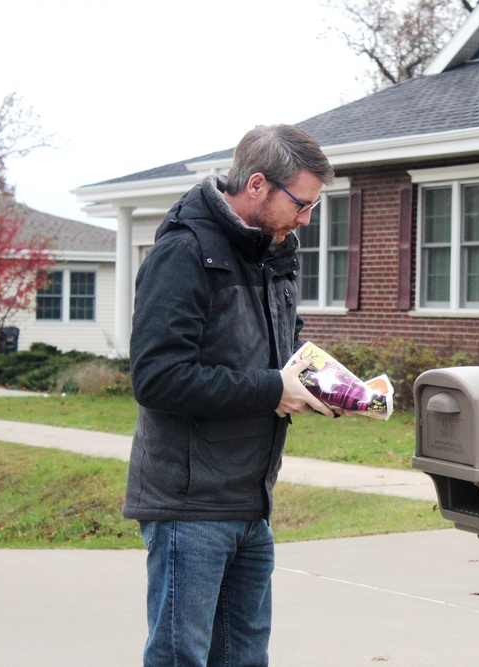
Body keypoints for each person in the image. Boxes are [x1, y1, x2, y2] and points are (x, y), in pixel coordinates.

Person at [124, 124, 337, 666]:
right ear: (259, 185)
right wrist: (272, 389)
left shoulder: (274, 251)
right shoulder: (184, 252)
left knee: (244, 658)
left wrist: (317, 382)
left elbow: (280, 347)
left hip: (250, 501)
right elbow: (156, 377)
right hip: (189, 505)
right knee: (181, 657)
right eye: (302, 204)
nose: (307, 219)